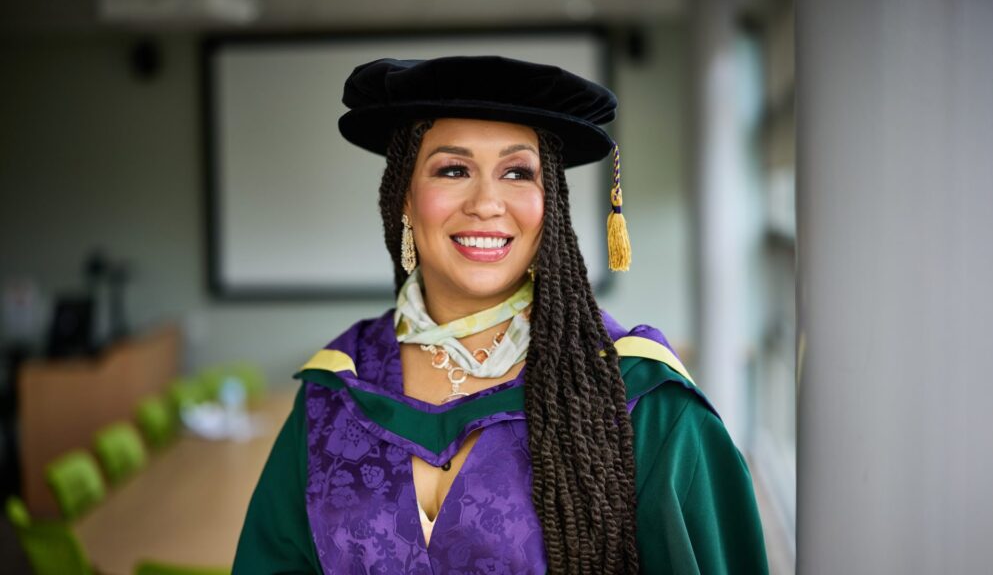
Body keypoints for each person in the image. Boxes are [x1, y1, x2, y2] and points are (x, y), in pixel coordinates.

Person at [233, 55, 768, 574]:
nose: (487, 202)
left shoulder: (638, 398)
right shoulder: (337, 391)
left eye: (516, 172)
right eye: (453, 169)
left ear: (548, 201)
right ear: (404, 197)